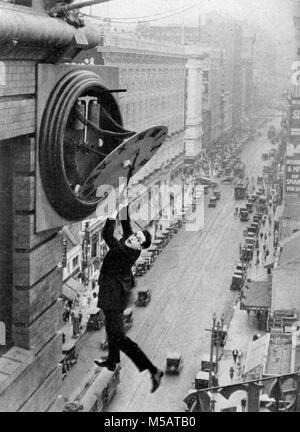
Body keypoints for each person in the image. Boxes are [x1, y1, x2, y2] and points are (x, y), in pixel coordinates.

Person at [94, 203, 164, 393]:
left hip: (114, 294)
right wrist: (122, 201)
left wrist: (111, 212)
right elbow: (126, 223)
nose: (133, 236)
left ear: (140, 246)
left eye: (137, 238)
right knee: (111, 328)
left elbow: (107, 234)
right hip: (115, 288)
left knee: (120, 338)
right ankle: (112, 360)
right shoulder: (131, 242)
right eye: (135, 234)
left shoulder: (124, 251)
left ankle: (153, 371)